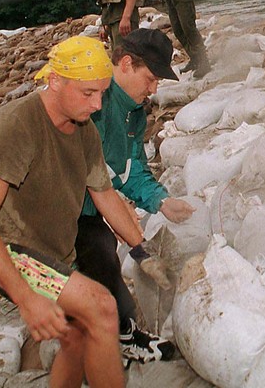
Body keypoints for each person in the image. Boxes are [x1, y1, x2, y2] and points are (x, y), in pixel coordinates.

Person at [0, 35, 144, 388]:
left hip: (50, 251)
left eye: (102, 94)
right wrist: (26, 298)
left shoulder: (85, 132)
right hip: (7, 248)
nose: (96, 105)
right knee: (102, 308)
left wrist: (142, 249)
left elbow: (105, 194)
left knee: (76, 335)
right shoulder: (15, 127)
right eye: (88, 93)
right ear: (56, 81)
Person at [75, 28, 196, 363]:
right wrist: (135, 243)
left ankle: (124, 334)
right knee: (84, 269)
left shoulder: (134, 113)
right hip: (62, 208)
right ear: (126, 63)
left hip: (92, 210)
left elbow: (131, 171)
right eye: (151, 78)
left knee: (105, 266)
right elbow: (86, 177)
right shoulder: (91, 101)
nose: (154, 89)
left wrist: (161, 200)